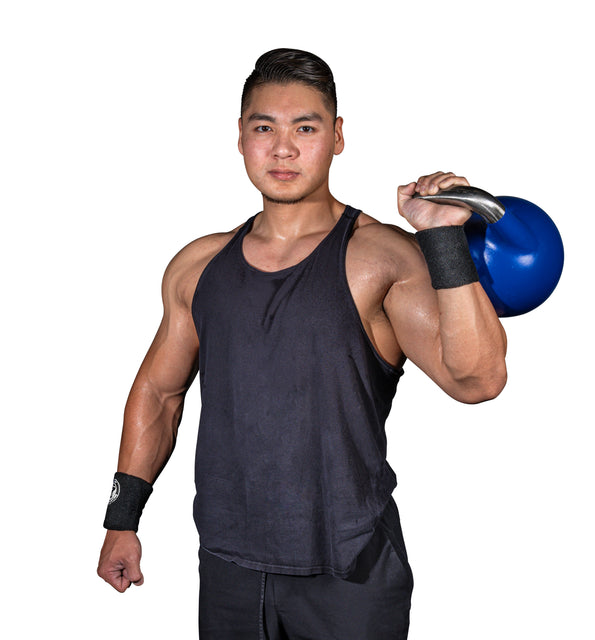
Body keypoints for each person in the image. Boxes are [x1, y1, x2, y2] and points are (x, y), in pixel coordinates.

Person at [97, 48, 507, 639]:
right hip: (228, 567)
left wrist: (442, 239)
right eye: (264, 128)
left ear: (337, 137)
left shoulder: (382, 255)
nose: (283, 148)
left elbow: (479, 380)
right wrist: (122, 518)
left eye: (305, 128)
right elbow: (159, 393)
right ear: (240, 137)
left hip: (350, 573)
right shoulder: (197, 266)